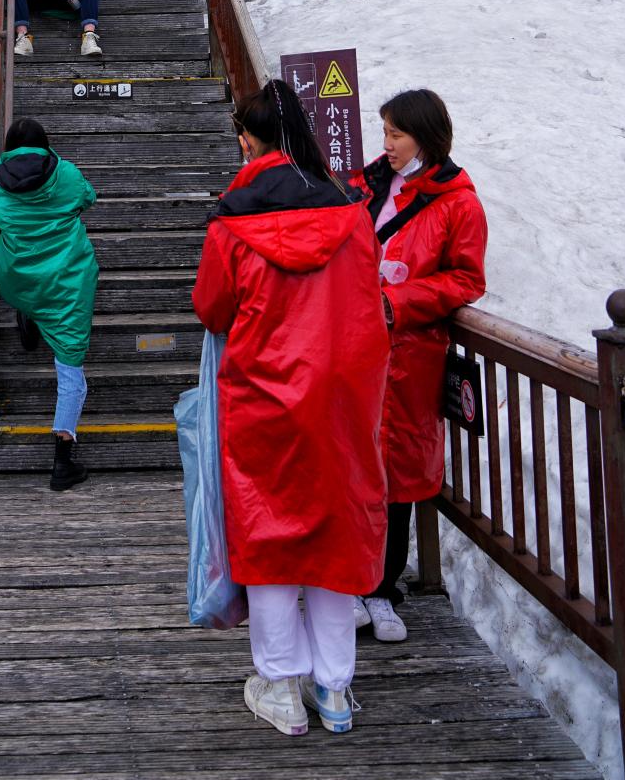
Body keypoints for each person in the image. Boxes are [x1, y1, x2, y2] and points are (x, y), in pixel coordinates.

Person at [193, 78, 388, 740]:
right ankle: (335, 690)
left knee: (269, 535)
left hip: (262, 395)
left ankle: (279, 686)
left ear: (248, 139)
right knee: (335, 534)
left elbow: (212, 307)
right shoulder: (351, 211)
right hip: (340, 396)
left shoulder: (233, 218)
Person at [350, 90, 487, 645]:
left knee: (398, 473)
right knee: (353, 464)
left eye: (395, 135)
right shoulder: (369, 183)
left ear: (426, 137)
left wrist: (397, 301)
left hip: (409, 355)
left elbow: (467, 280)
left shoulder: (460, 203)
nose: (386, 146)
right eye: (383, 133)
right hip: (354, 350)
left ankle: (382, 589)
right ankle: (349, 584)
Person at [0, 117, 97, 491]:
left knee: (19, 276)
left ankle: (29, 311)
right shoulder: (67, 173)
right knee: (70, 368)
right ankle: (62, 461)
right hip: (68, 284)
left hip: (21, 279)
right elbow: (89, 197)